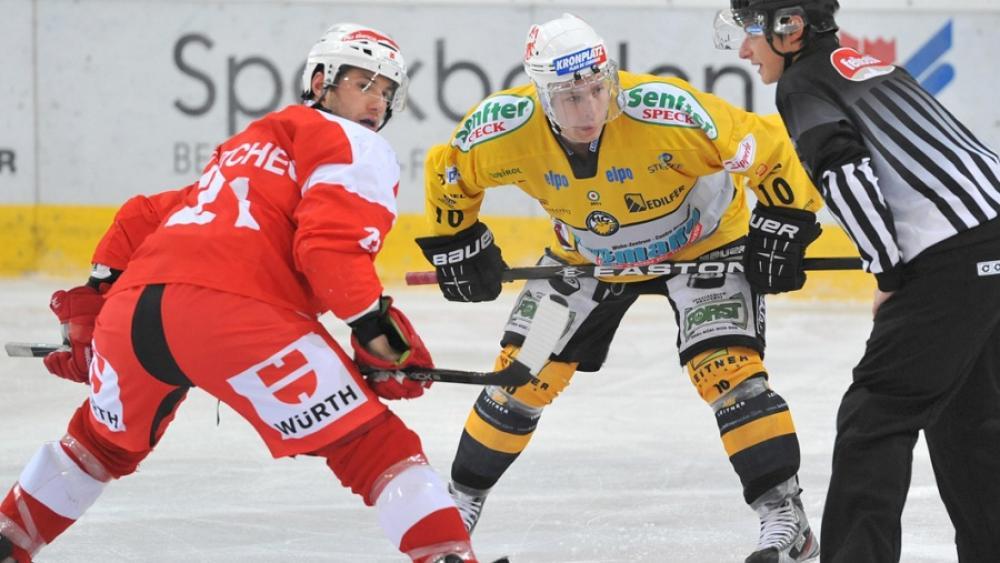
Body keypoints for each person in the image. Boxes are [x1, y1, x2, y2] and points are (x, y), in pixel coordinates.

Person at [0, 24, 489, 563]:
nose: (376, 102)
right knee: (375, 449)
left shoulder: (246, 147)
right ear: (322, 81)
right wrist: (378, 332)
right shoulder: (356, 145)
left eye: (387, 92)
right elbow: (328, 252)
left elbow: (141, 216)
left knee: (96, 447)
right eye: (363, 83)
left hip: (134, 316)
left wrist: (94, 304)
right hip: (238, 320)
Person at [415, 12, 827, 563]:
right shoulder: (502, 130)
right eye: (568, 98)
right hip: (586, 254)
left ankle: (785, 517)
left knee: (727, 371)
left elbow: (770, 146)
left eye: (596, 91)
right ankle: (458, 506)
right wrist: (456, 241)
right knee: (520, 376)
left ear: (610, 77)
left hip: (702, 243)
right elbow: (449, 174)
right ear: (540, 97)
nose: (588, 111)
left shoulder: (669, 111)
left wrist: (784, 220)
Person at [715, 1, 1000, 561]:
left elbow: (846, 173)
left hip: (951, 260)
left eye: (750, 32)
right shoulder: (871, 65)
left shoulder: (801, 85)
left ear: (787, 27)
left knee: (875, 416)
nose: (745, 50)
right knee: (969, 415)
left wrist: (888, 272)